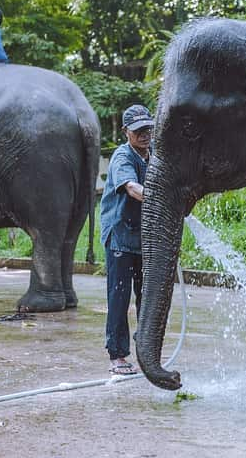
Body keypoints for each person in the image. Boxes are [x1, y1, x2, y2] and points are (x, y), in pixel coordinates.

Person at [99, 104, 155, 375]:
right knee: (119, 297)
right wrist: (161, 200)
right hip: (120, 236)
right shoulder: (122, 157)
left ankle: (146, 351)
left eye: (148, 129)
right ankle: (117, 355)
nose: (145, 134)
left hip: (144, 237)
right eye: (138, 131)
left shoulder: (154, 155)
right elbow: (132, 188)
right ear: (126, 132)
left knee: (148, 297)